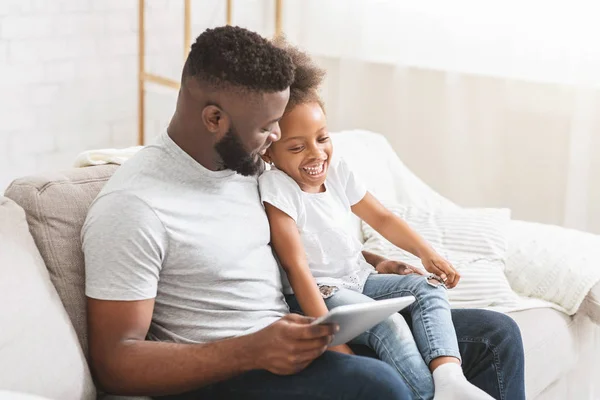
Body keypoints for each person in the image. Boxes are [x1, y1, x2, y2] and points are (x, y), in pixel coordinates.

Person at [81, 26, 525, 400]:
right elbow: (115, 361)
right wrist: (251, 350)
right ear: (214, 118)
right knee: (376, 384)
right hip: (230, 372)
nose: (276, 136)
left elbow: (297, 240)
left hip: (302, 333)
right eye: (266, 126)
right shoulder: (134, 207)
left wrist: (369, 262)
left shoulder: (248, 164)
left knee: (494, 336)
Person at [259, 40, 493, 400]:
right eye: (297, 147)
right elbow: (297, 268)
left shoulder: (336, 172)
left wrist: (426, 253)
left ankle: (450, 382)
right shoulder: (278, 188)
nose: (316, 153)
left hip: (360, 280)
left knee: (428, 287)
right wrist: (330, 338)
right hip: (324, 293)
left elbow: (381, 218)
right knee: (390, 323)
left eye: (322, 138)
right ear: (269, 152)